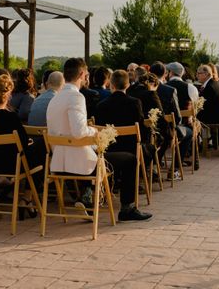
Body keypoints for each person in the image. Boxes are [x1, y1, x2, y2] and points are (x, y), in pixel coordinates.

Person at [46, 58, 151, 221]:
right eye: (86, 74)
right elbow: (79, 131)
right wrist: (94, 131)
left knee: (102, 153)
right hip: (79, 164)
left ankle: (87, 199)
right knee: (130, 159)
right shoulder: (76, 97)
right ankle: (127, 209)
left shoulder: (55, 98)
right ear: (81, 74)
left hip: (58, 163)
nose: (87, 77)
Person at [0, 74, 45, 212]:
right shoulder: (10, 116)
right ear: (8, 93)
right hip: (11, 165)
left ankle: (2, 179)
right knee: (40, 154)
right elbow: (22, 142)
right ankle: (26, 198)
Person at [95, 70, 147, 154]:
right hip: (132, 149)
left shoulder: (101, 105)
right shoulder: (135, 103)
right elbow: (141, 128)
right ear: (128, 85)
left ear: (111, 85)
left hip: (108, 150)